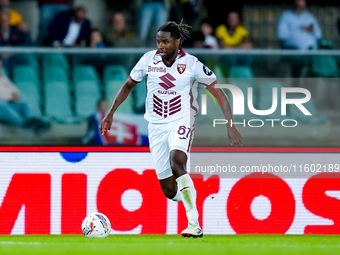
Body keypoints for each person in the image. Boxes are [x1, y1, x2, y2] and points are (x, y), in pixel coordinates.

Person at [99, 21, 242, 237]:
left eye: (165, 42)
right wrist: (110, 113)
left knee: (178, 160)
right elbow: (128, 85)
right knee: (168, 190)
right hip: (155, 126)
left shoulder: (192, 64)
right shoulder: (148, 60)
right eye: (158, 42)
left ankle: (193, 223)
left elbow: (218, 92)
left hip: (181, 121)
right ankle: (189, 192)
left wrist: (230, 125)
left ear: (177, 42)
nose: (161, 46)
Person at [0, 60, 50, 133]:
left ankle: (32, 121)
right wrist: (10, 95)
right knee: (3, 106)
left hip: (10, 103)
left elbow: (17, 92)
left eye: (0, 66)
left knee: (26, 105)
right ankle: (24, 123)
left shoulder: (4, 78)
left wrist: (9, 95)